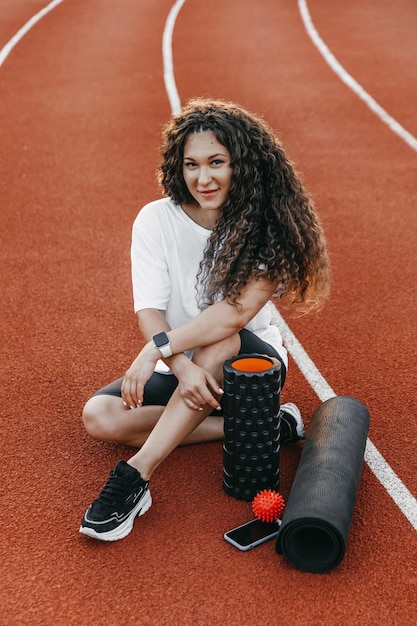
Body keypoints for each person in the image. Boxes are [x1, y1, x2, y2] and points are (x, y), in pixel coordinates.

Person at [79, 98, 330, 541]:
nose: (203, 178)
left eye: (217, 162)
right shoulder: (156, 219)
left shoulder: (266, 227)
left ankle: (136, 477)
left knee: (221, 343)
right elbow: (149, 309)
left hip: (246, 369)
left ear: (243, 165)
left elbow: (229, 318)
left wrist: (155, 349)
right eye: (191, 164)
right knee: (100, 417)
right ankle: (267, 426)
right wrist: (177, 363)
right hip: (185, 364)